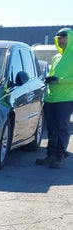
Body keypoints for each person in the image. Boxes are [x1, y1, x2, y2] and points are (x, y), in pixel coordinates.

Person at [37, 27, 73, 168]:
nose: (60, 39)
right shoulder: (56, 57)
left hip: (65, 98)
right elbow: (52, 76)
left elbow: (61, 78)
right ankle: (50, 154)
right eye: (58, 37)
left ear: (70, 37)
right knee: (51, 128)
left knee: (61, 128)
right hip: (51, 98)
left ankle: (60, 155)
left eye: (63, 36)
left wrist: (60, 80)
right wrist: (48, 80)